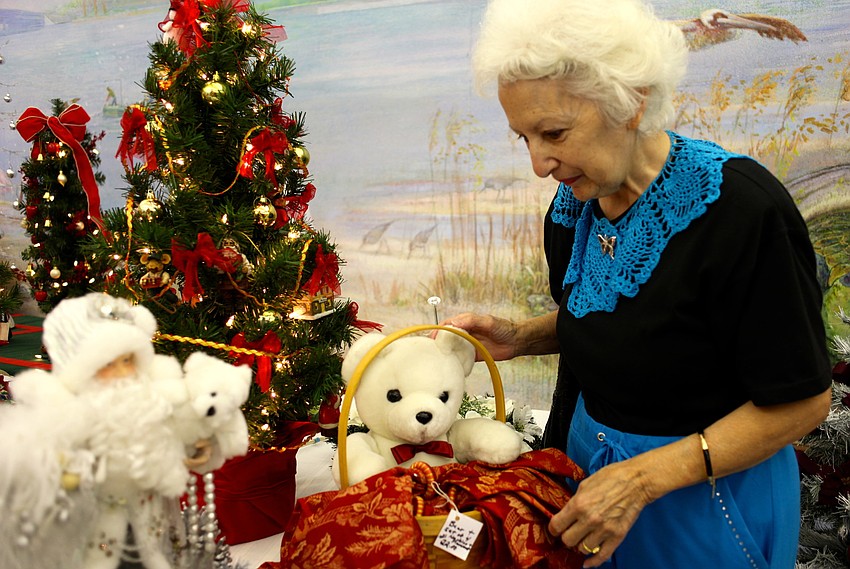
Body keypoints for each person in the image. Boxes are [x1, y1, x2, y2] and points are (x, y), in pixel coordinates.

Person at [442, 0, 833, 567]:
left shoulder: (739, 210)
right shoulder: (574, 205)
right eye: (522, 137)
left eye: (553, 132)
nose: (539, 163)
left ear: (630, 101)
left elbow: (802, 400)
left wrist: (641, 480)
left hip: (707, 505)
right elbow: (645, 321)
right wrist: (520, 337)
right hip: (592, 491)